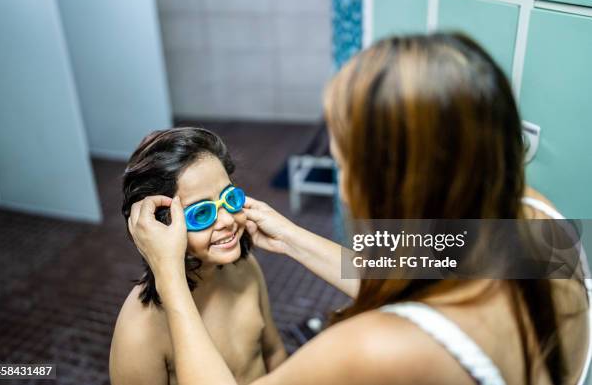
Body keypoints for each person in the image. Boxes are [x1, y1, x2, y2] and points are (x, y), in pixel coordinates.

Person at [127, 33, 590, 385]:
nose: (344, 185)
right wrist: (290, 236)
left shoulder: (376, 348)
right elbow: (431, 262)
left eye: (343, 163)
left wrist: (168, 275)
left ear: (391, 185)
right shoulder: (538, 220)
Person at [110, 128, 286, 385]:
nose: (227, 220)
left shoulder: (245, 268)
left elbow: (274, 352)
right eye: (202, 214)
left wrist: (291, 237)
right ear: (160, 226)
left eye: (229, 199)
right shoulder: (139, 329)